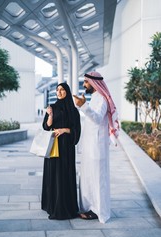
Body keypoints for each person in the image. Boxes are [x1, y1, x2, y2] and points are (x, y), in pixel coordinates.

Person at [73, 71, 119, 223]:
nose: (84, 84)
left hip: (97, 147)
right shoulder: (94, 98)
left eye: (86, 82)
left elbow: (98, 118)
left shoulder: (102, 98)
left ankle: (99, 211)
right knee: (88, 178)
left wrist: (83, 106)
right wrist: (84, 105)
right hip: (89, 146)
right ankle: (89, 208)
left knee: (98, 179)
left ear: (94, 83)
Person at [41, 82, 81, 220]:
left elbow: (77, 130)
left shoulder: (73, 110)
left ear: (67, 92)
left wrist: (64, 130)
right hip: (53, 145)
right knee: (54, 174)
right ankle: (52, 205)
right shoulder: (52, 107)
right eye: (57, 90)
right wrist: (50, 115)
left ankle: (66, 206)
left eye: (62, 90)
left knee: (64, 174)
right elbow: (46, 127)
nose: (59, 92)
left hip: (66, 147)